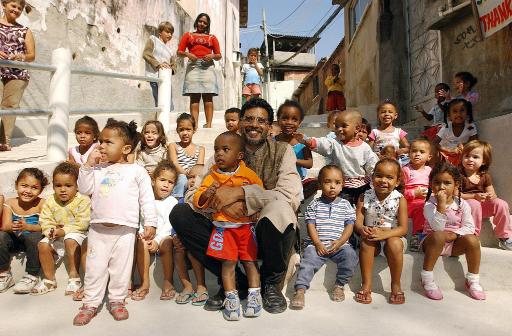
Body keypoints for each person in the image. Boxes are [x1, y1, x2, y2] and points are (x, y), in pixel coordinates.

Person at [170, 98, 301, 314]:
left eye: (261, 120)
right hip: (227, 228)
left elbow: (289, 194)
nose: (254, 125)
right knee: (181, 213)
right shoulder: (223, 150)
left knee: (280, 209)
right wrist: (221, 205)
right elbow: (194, 193)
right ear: (240, 122)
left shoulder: (282, 151)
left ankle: (270, 284)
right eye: (249, 119)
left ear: (269, 126)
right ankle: (236, 281)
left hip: (263, 228)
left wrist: (240, 194)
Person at [72, 119, 157, 326]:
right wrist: (87, 166)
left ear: (126, 148)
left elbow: (146, 198)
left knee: (121, 268)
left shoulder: (136, 171)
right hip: (98, 229)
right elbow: (84, 189)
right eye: (100, 141)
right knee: (94, 268)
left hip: (125, 230)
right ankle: (90, 303)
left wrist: (151, 222)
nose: (101, 146)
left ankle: (117, 300)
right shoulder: (98, 169)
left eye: (108, 142)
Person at [193, 131, 263, 320]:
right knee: (228, 264)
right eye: (216, 150)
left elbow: (259, 195)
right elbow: (197, 199)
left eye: (225, 149)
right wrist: (208, 193)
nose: (219, 154)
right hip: (223, 229)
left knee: (250, 262)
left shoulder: (248, 175)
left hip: (246, 229)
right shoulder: (211, 176)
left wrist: (253, 209)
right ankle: (231, 298)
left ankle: (254, 295)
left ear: (239, 155)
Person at [290, 165, 358, 309]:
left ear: (342, 184)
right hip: (317, 244)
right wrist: (317, 243)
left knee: (350, 256)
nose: (332, 186)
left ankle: (340, 285)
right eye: (328, 182)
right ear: (320, 184)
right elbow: (311, 226)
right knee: (308, 261)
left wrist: (340, 242)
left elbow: (349, 226)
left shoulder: (346, 205)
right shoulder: (314, 205)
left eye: (337, 182)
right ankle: (300, 290)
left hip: (340, 245)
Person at [421, 162, 485, 301]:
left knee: (473, 240)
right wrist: (441, 205)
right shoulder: (429, 204)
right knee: (438, 235)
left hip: (454, 243)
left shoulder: (462, 204)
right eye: (436, 182)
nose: (441, 187)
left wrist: (455, 234)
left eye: (447, 183)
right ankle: (427, 279)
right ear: (431, 184)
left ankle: (472, 280)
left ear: (456, 185)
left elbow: (469, 227)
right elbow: (437, 228)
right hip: (433, 243)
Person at [296, 110, 379, 206]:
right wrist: (308, 140)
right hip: (340, 186)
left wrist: (375, 178)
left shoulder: (365, 148)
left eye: (344, 126)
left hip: (362, 186)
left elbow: (372, 165)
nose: (339, 129)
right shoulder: (335, 143)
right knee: (340, 208)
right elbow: (322, 143)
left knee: (362, 209)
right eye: (337, 126)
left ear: (357, 128)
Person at [31, 162, 90, 296]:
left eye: (68, 186)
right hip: (57, 236)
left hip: (78, 236)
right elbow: (45, 220)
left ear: (77, 186)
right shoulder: (50, 201)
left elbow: (83, 222)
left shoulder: (83, 200)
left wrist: (64, 231)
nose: (63, 189)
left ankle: (74, 277)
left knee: (69, 239)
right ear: (53, 186)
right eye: (58, 185)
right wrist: (50, 231)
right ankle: (49, 279)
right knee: (42, 244)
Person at [354, 159, 408, 304]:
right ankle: (366, 284)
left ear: (397, 181)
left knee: (395, 243)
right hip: (372, 238)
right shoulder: (364, 197)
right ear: (372, 178)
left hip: (393, 237)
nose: (383, 180)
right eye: (379, 175)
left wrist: (385, 233)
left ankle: (395, 285)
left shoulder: (400, 199)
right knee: (366, 243)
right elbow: (358, 221)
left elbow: (403, 228)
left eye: (390, 177)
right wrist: (361, 229)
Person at [131, 161, 178, 301]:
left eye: (170, 182)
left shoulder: (172, 202)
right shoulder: (145, 200)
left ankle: (168, 282)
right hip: (147, 236)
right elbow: (140, 219)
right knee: (141, 241)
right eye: (162, 180)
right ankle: (145, 283)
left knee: (167, 242)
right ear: (153, 181)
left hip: (163, 238)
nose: (166, 185)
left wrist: (157, 241)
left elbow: (169, 226)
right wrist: (143, 234)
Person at [0, 168, 47, 293]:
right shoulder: (10, 203)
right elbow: (5, 226)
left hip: (33, 241)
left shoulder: (42, 204)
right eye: (24, 186)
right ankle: (4, 274)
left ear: (41, 190)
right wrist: (13, 226)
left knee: (34, 237)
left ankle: (32, 275)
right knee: (1, 236)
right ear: (16, 185)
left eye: (34, 187)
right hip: (15, 239)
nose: (28, 191)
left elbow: (44, 226)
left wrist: (28, 227)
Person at [460, 140, 512, 250]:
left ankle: (504, 236)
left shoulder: (485, 176)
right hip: (462, 208)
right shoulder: (459, 175)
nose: (470, 159)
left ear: (483, 161)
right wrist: (474, 197)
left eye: (475, 157)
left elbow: (492, 194)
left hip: (480, 207)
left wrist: (489, 196)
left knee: (501, 204)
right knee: (474, 204)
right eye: (467, 156)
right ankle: (472, 236)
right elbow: (455, 195)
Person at [0, 0, 35, 151]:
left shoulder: (25, 30)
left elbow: (32, 55)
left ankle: (4, 141)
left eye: (19, 8)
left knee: (10, 106)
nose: (16, 10)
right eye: (13, 6)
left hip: (17, 73)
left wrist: (21, 57)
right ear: (4, 5)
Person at [177, 13, 221, 129]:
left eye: (205, 22)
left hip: (208, 67)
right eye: (200, 21)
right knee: (194, 97)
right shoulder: (188, 35)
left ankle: (209, 125)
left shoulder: (212, 37)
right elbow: (179, 52)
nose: (202, 24)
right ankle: (195, 126)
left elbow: (218, 55)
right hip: (193, 66)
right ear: (196, 22)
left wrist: (211, 56)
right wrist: (188, 54)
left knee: (208, 96)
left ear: (207, 25)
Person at [402, 139, 432, 252]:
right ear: (409, 154)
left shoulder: (430, 171)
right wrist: (414, 193)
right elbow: (400, 191)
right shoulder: (406, 170)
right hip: (408, 202)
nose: (417, 154)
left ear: (429, 157)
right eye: (414, 151)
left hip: (425, 201)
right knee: (420, 208)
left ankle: (424, 235)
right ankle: (415, 235)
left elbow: (433, 187)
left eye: (422, 152)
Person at [168, 113, 205, 201]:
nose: (185, 133)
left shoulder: (200, 149)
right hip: (179, 176)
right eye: (181, 130)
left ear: (194, 130)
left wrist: (192, 177)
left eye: (188, 129)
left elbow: (199, 167)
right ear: (177, 130)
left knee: (198, 181)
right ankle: (177, 200)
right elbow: (174, 164)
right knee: (182, 178)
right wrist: (186, 174)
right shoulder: (173, 146)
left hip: (194, 176)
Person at [275, 100, 313, 181]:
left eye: (294, 119)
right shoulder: (273, 141)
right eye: (285, 118)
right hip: (277, 180)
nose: (289, 122)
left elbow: (309, 163)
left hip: (297, 181)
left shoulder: (302, 141)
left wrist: (291, 160)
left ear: (299, 123)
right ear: (278, 120)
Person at [434, 98, 477, 166]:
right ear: (449, 115)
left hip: (461, 155)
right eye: (455, 111)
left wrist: (464, 145)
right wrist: (447, 150)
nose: (458, 114)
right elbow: (435, 143)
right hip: (445, 154)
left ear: (467, 112)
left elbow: (475, 142)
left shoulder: (470, 126)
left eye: (462, 110)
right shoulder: (446, 127)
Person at [143, 21, 176, 107]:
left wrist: (169, 68)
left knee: (168, 104)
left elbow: (174, 66)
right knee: (160, 103)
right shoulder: (153, 40)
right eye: (167, 32)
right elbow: (146, 54)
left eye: (171, 33)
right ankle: (157, 120)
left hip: (166, 79)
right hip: (155, 77)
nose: (170, 35)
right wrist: (158, 64)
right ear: (160, 32)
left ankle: (160, 120)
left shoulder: (170, 51)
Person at [368, 100, 410, 165]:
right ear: (378, 115)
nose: (387, 114)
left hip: (395, 160)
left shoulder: (398, 131)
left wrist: (402, 150)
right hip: (379, 160)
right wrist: (375, 154)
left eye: (390, 112)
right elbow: (369, 149)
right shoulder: (374, 132)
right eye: (383, 112)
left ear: (395, 115)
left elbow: (408, 147)